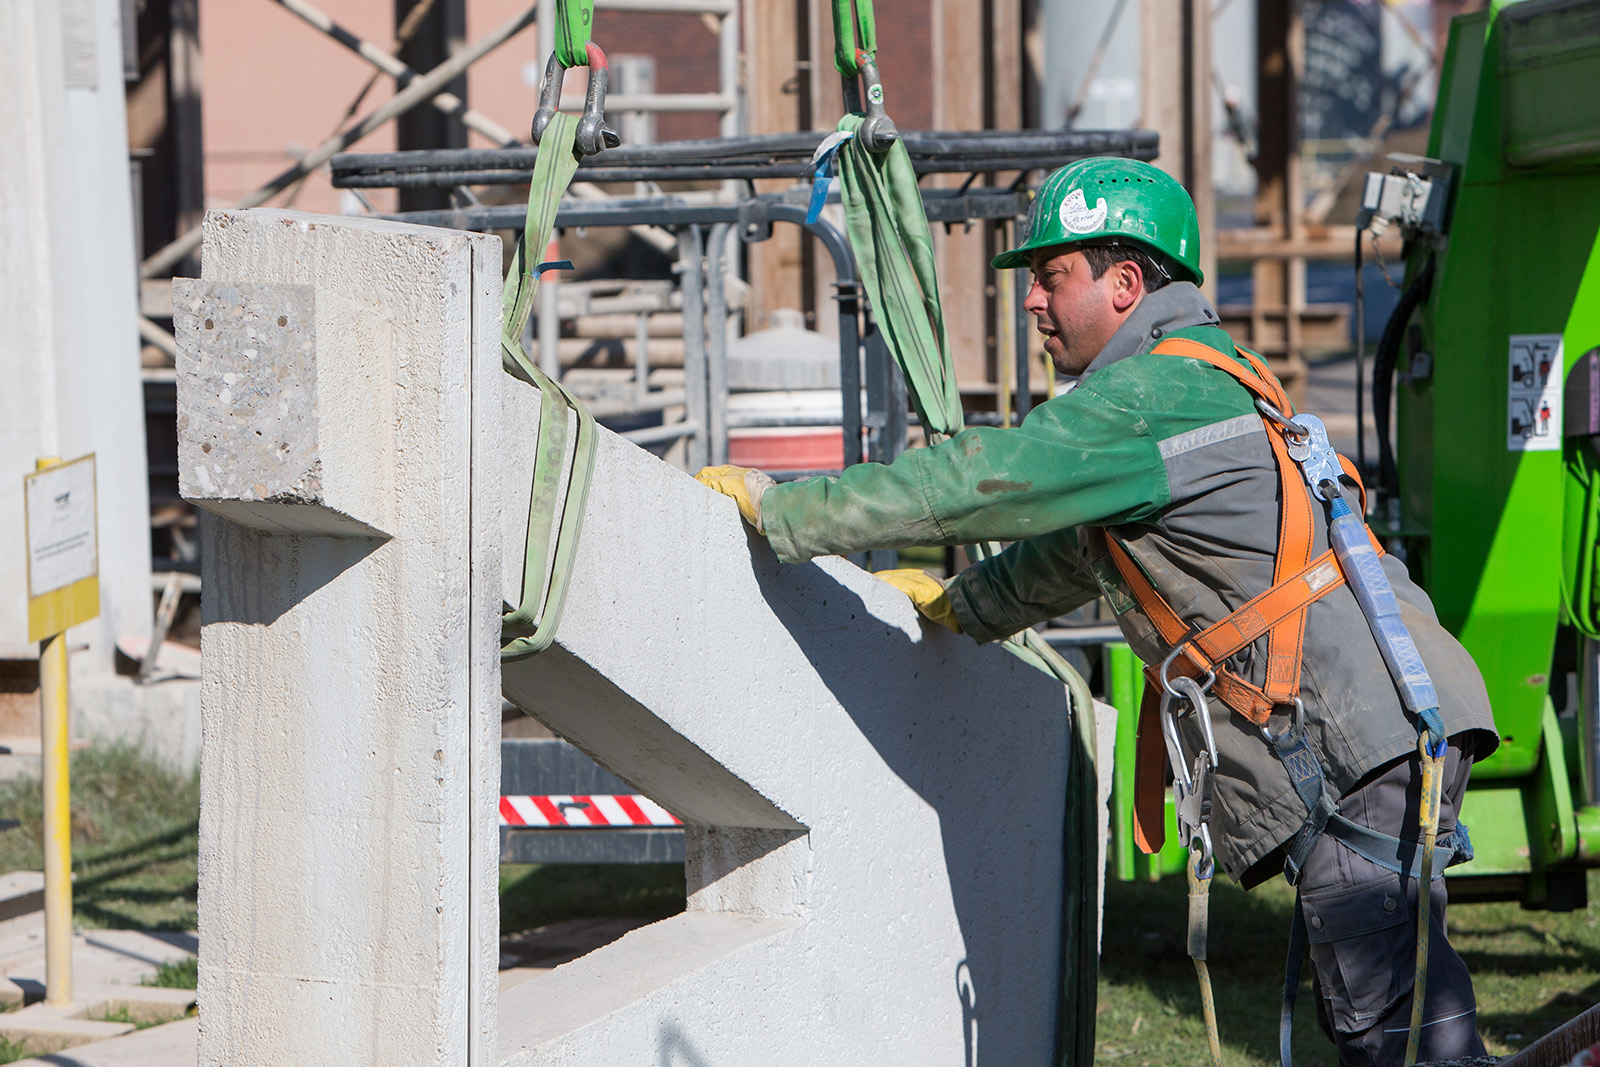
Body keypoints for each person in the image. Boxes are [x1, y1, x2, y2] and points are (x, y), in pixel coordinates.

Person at [696, 156, 1498, 1066]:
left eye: (1052, 278)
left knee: (1391, 1037)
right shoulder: (1206, 372)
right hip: (1390, 718)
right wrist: (972, 606)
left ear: (1126, 282)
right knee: (1410, 1022)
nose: (1033, 303)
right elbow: (1087, 552)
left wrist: (787, 511)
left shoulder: (1151, 395)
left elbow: (977, 480)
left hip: (1357, 736)